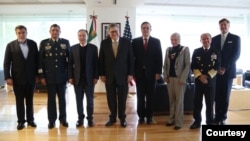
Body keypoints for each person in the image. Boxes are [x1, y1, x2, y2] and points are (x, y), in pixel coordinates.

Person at [99, 23, 134, 128]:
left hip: (123, 76)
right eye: (112, 31)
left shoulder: (126, 42)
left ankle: (122, 118)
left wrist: (130, 74)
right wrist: (102, 74)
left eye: (116, 31)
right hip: (109, 76)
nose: (114, 33)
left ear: (119, 31)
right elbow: (101, 60)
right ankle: (112, 118)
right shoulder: (104, 43)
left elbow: (131, 60)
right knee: (111, 98)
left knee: (122, 98)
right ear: (109, 33)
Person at [3, 25, 38, 130]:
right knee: (19, 101)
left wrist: (37, 75)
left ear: (26, 33)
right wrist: (7, 77)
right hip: (17, 79)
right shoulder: (10, 46)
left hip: (31, 78)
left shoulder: (33, 44)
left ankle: (31, 120)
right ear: (16, 33)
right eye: (19, 33)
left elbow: (37, 61)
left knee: (30, 101)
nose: (21, 34)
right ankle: (21, 121)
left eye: (23, 32)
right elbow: (6, 63)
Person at [38, 24, 70, 129]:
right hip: (49, 77)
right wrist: (42, 76)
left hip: (62, 77)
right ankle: (51, 120)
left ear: (60, 32)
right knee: (51, 100)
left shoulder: (65, 42)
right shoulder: (44, 43)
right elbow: (40, 61)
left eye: (57, 30)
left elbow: (70, 61)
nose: (55, 32)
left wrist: (70, 75)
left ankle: (63, 119)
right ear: (50, 32)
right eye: (53, 30)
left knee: (62, 100)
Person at [211, 18, 241, 125]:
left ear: (228, 26)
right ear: (219, 26)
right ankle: (217, 115)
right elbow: (212, 55)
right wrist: (217, 67)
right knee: (216, 95)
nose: (223, 27)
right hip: (216, 72)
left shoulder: (235, 38)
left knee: (225, 96)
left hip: (228, 72)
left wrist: (224, 67)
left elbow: (235, 55)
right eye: (221, 25)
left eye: (225, 25)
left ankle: (223, 117)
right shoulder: (214, 39)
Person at [132, 21, 162, 124]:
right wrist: (132, 73)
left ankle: (149, 117)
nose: (145, 30)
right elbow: (132, 59)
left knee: (151, 97)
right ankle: (141, 117)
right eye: (143, 28)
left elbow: (159, 58)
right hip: (139, 74)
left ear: (150, 29)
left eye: (147, 28)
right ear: (141, 30)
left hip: (152, 74)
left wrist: (158, 72)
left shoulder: (156, 41)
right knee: (140, 97)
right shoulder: (135, 42)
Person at [68, 29, 99, 127]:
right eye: (80, 35)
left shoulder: (93, 48)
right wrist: (70, 77)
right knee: (79, 100)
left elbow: (96, 64)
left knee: (90, 101)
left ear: (87, 37)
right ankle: (80, 119)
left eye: (84, 35)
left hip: (90, 79)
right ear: (78, 37)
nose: (82, 37)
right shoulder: (73, 48)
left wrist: (95, 77)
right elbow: (70, 64)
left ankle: (90, 119)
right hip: (77, 80)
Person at [190, 33, 220, 129]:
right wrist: (200, 77)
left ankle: (209, 122)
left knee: (210, 103)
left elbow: (217, 67)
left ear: (210, 40)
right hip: (199, 81)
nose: (205, 40)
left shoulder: (216, 51)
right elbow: (193, 66)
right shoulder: (196, 51)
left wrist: (206, 77)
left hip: (210, 82)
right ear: (200, 40)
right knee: (197, 103)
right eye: (203, 39)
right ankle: (197, 121)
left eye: (207, 39)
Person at [163, 33, 190, 130]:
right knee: (171, 100)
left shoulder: (185, 49)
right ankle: (171, 119)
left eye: (175, 39)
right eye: (172, 39)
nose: (173, 41)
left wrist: (183, 79)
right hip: (170, 79)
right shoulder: (168, 50)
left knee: (179, 102)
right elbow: (165, 64)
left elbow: (187, 65)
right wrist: (165, 76)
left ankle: (178, 122)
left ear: (179, 39)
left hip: (180, 80)